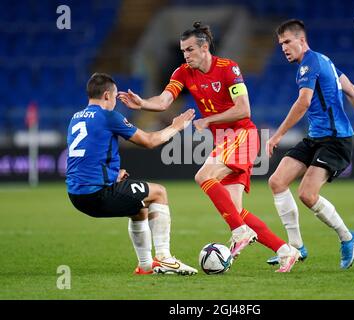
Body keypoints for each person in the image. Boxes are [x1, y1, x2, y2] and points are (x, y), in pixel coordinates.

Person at [118, 22, 300, 272]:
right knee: (236, 210)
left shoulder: (228, 68)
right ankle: (285, 250)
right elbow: (163, 101)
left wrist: (209, 120)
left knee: (203, 175)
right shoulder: (183, 72)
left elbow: (244, 109)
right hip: (225, 140)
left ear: (204, 47)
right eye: (183, 51)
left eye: (190, 49)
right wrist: (143, 104)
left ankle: (240, 233)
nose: (186, 55)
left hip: (242, 135)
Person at [266, 19, 354, 269]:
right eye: (281, 44)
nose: (284, 48)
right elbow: (351, 90)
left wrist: (277, 135)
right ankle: (295, 248)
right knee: (277, 182)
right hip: (316, 137)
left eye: (287, 42)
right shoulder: (324, 60)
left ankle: (347, 237)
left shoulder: (310, 63)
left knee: (307, 194)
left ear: (302, 40)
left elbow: (303, 103)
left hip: (335, 140)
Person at [66, 72, 198, 275]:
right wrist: (176, 127)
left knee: (138, 207)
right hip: (96, 194)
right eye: (116, 96)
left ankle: (145, 265)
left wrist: (112, 175)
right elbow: (150, 141)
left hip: (76, 195)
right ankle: (165, 257)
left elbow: (84, 159)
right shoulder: (108, 116)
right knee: (159, 192)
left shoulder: (75, 119)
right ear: (108, 96)